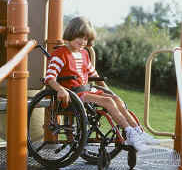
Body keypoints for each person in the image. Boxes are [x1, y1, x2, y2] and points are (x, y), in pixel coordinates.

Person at [45, 16, 158, 151]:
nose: (83, 42)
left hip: (85, 91)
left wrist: (109, 91)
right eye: (80, 37)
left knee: (116, 99)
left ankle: (138, 131)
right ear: (71, 34)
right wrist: (60, 89)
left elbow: (94, 76)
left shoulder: (84, 54)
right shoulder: (60, 54)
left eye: (86, 39)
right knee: (109, 102)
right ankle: (130, 133)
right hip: (73, 93)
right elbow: (49, 77)